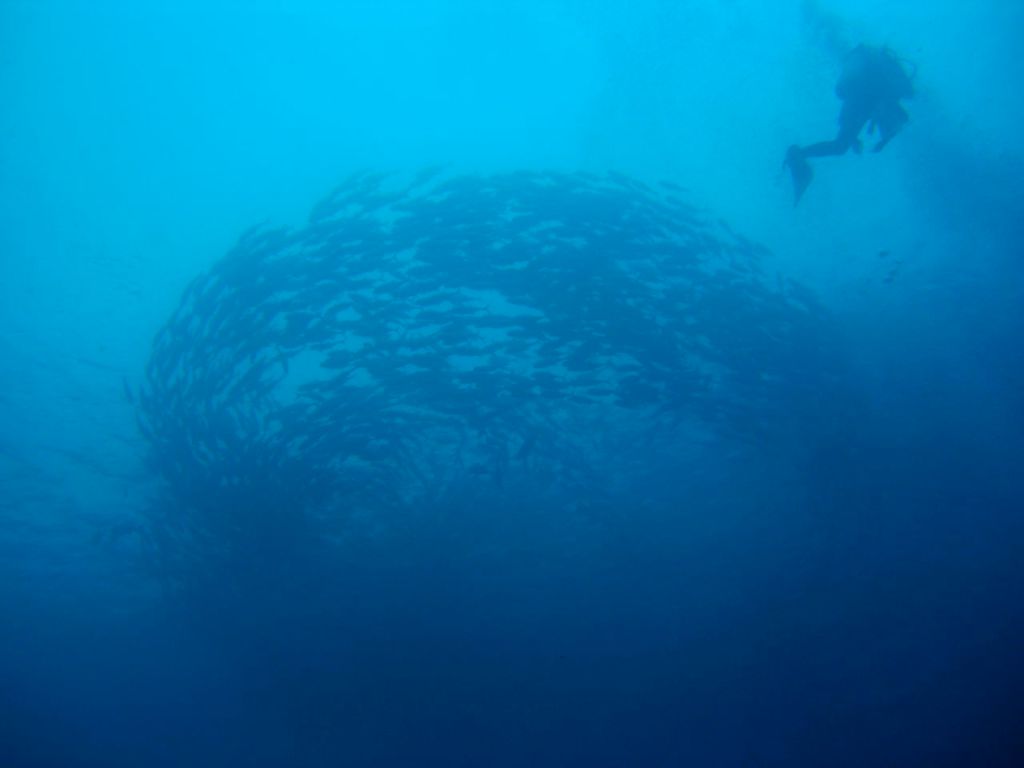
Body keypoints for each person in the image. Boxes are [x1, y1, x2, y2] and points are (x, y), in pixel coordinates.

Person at [785, 44, 915, 204]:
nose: (884, 132)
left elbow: (858, 110)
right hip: (860, 99)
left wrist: (854, 137)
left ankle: (798, 155)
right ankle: (797, 154)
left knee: (840, 146)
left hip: (856, 98)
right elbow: (869, 110)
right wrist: (862, 137)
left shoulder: (878, 94)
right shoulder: (884, 96)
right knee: (840, 147)